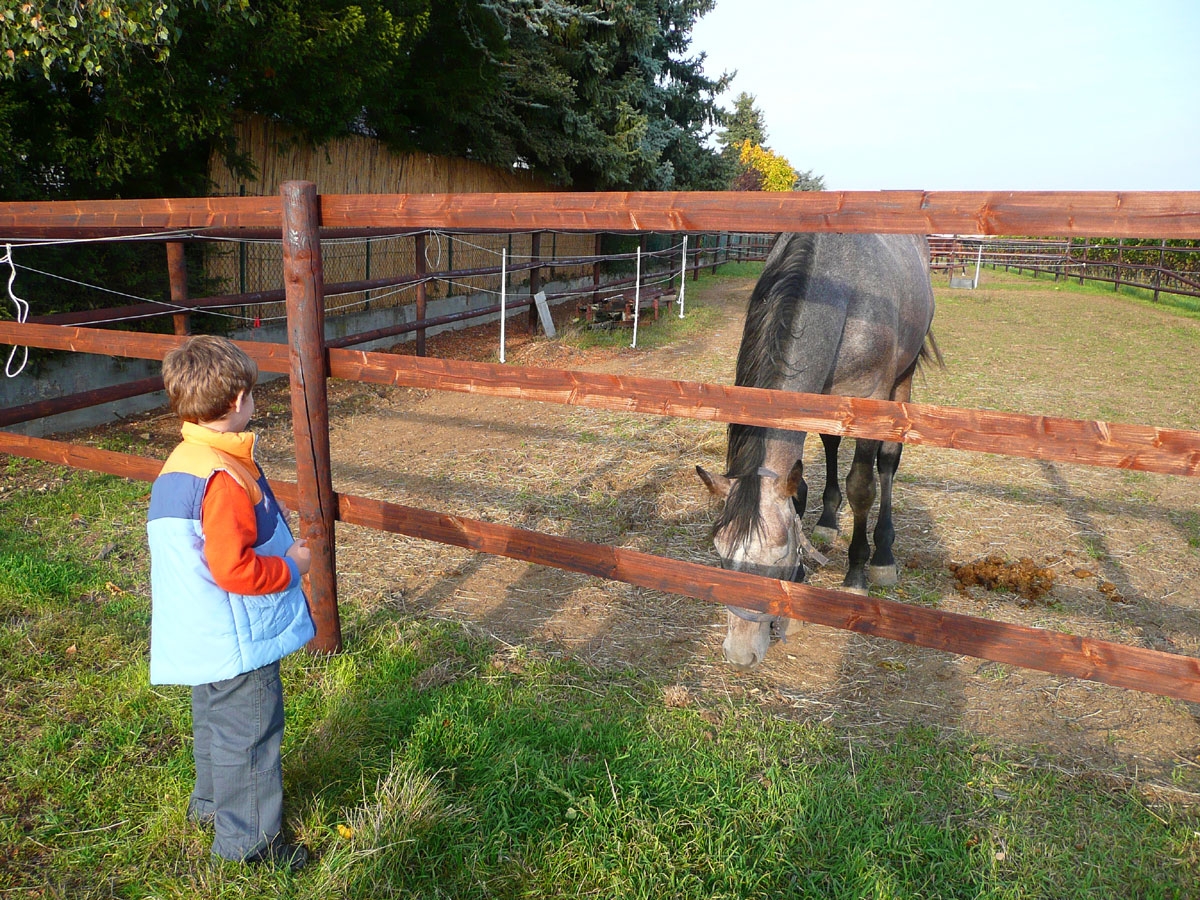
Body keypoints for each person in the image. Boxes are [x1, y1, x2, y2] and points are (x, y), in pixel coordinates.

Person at [147, 335, 314, 871]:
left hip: (203, 630)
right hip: (236, 635)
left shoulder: (186, 458)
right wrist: (293, 568)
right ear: (239, 397)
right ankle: (251, 847)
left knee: (217, 720)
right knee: (251, 732)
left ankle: (212, 805)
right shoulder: (223, 475)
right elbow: (234, 569)